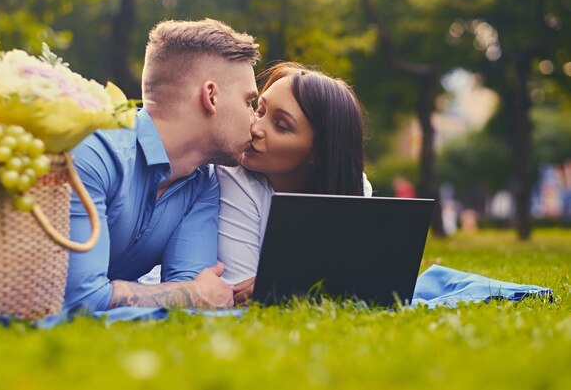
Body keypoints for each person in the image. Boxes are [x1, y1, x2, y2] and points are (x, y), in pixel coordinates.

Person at [65, 18, 261, 312]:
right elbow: (79, 300)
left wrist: (188, 293)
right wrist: (189, 293)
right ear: (211, 96)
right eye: (248, 102)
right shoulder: (93, 155)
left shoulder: (203, 181)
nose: (255, 121)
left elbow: (192, 293)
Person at [215, 62, 372, 303]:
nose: (255, 128)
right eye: (260, 110)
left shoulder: (354, 186)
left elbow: (358, 281)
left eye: (281, 125)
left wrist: (284, 285)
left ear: (319, 152)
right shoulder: (232, 176)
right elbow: (239, 292)